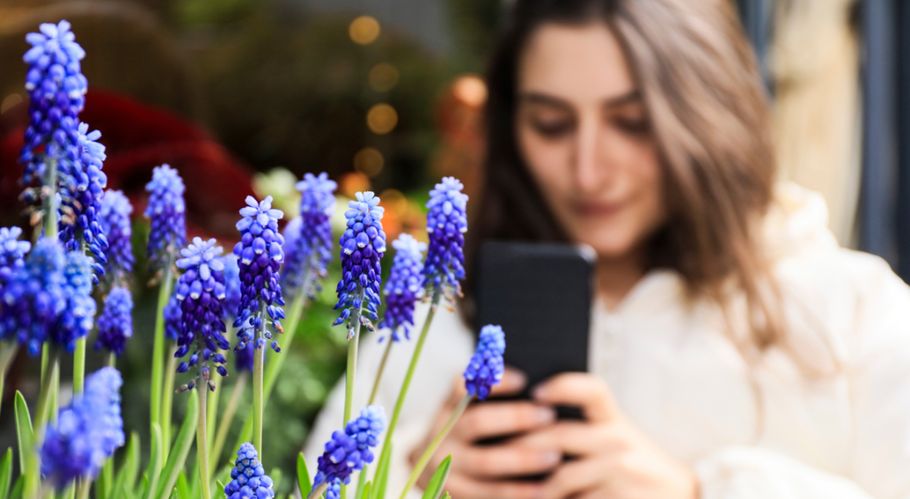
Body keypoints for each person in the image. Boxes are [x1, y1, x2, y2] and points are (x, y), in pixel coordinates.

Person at [305, 1, 910, 497]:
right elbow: (316, 479)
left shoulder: (854, 311)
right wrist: (412, 474)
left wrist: (696, 491)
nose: (589, 171)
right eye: (552, 124)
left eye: (632, 121)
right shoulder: (433, 321)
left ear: (708, 115)